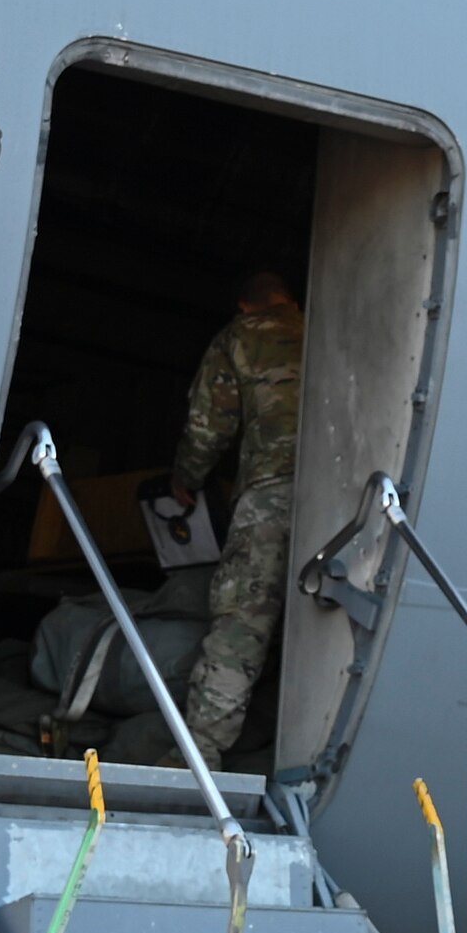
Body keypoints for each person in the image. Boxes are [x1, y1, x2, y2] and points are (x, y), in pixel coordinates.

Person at [165, 270, 303, 767]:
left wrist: (186, 477)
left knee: (242, 621)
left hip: (271, 491)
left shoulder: (241, 336)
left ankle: (199, 757)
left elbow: (209, 423)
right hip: (345, 495)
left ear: (245, 306)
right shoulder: (323, 329)